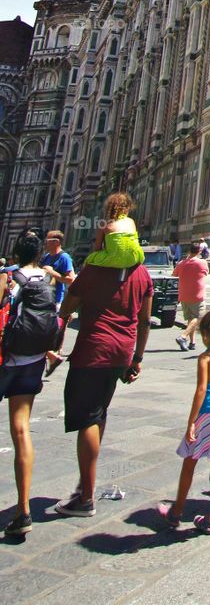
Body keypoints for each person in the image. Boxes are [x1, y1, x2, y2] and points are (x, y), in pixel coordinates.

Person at [54, 253, 153, 516]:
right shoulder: (141, 273)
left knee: (87, 418)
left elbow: (66, 308)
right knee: (98, 412)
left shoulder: (94, 269)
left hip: (93, 350)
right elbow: (145, 321)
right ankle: (85, 483)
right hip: (122, 352)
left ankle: (85, 497)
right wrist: (137, 358)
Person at [158, 309, 210, 534]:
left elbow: (201, 390)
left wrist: (191, 422)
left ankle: (176, 512)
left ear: (206, 335)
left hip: (206, 415)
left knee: (189, 462)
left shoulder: (205, 359)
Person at [0, 229, 59, 537]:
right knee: (21, 430)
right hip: (32, 359)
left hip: (5, 358)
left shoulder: (8, 277)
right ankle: (23, 508)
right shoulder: (46, 279)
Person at [84, 192, 145, 269]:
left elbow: (97, 248)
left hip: (114, 258)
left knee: (90, 259)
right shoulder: (131, 222)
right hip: (134, 258)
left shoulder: (104, 224)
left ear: (109, 208)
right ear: (126, 209)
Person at [173, 241, 209, 351]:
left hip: (184, 295)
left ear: (189, 251)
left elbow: (174, 275)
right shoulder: (202, 262)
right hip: (197, 295)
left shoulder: (182, 263)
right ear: (199, 251)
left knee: (190, 319)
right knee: (197, 318)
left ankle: (192, 342)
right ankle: (183, 336)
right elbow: (206, 273)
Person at [39, 229, 75, 309]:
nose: (45, 243)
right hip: (43, 299)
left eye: (48, 240)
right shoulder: (46, 256)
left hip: (56, 301)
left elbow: (71, 280)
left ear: (57, 242)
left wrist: (52, 272)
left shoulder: (64, 257)